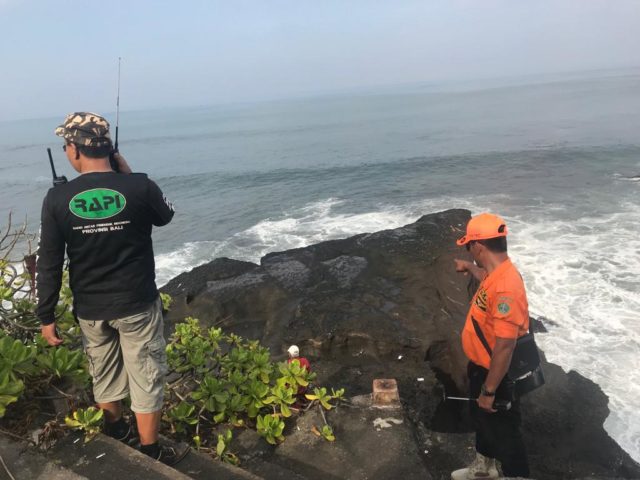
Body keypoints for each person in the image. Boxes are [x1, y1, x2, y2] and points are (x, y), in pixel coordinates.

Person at [35, 112, 187, 465]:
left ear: (73, 150)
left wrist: (46, 315)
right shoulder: (139, 185)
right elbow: (165, 216)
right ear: (109, 147)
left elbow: (49, 261)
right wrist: (128, 173)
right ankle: (151, 451)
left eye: (66, 146)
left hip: (91, 309)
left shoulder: (57, 199)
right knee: (146, 374)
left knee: (103, 372)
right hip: (136, 302)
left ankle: (117, 433)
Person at [451, 213, 530, 479]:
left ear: (479, 246)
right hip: (481, 367)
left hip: (496, 374)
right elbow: (485, 275)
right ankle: (484, 469)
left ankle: (515, 475)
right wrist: (468, 266)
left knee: (506, 434)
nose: (468, 250)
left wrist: (489, 390)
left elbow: (505, 346)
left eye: (468, 246)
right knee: (483, 421)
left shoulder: (506, 287)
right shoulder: (497, 273)